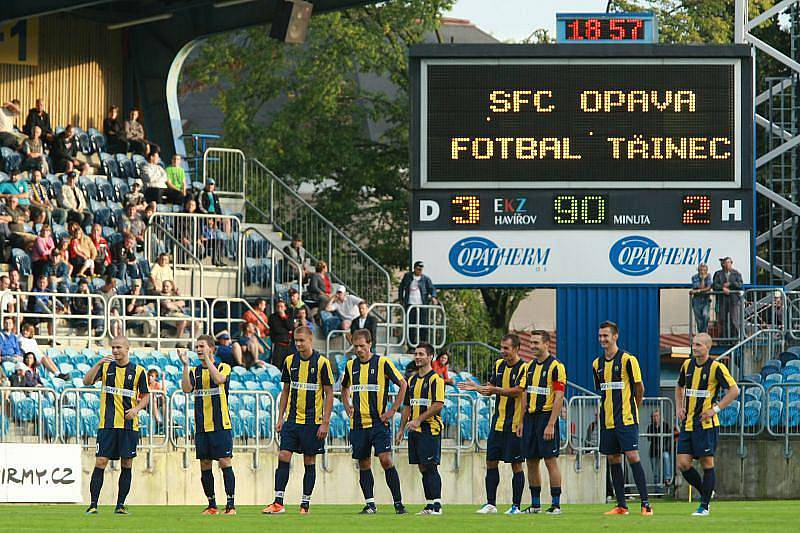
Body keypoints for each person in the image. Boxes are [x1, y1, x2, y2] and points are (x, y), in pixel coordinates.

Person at [263, 326, 333, 515]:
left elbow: (329, 393)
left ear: (310, 340)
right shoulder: (289, 361)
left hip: (313, 422)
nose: (299, 344)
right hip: (292, 421)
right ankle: (278, 502)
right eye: (296, 341)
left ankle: (305, 504)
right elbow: (285, 391)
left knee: (309, 461)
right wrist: (280, 418)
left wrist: (325, 422)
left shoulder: (322, 363)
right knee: (283, 456)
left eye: (302, 340)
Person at [341, 329, 408, 515]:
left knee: (386, 460)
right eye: (356, 346)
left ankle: (398, 503)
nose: (359, 349)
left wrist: (393, 410)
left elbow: (403, 384)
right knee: (363, 463)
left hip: (379, 423)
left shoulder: (382, 363)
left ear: (370, 344)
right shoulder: (350, 366)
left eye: (362, 346)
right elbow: (344, 387)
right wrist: (347, 405)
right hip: (358, 424)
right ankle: (370, 504)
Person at [458, 333, 526, 515]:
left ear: (516, 348)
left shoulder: (524, 368)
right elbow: (490, 390)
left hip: (514, 424)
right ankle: (491, 503)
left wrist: (495, 389)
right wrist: (476, 388)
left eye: (507, 348)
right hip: (498, 423)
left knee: (516, 464)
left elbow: (518, 391)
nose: (503, 351)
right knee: (490, 462)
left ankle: (516, 506)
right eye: (502, 347)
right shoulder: (498, 365)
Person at [83, 336, 150, 515]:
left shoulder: (138, 371)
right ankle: (93, 504)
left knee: (126, 463)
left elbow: (146, 396)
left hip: (129, 426)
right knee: (101, 461)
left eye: (118, 347)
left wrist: (136, 409)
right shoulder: (105, 367)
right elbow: (87, 381)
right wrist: (97, 363)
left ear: (128, 349)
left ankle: (120, 505)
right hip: (107, 425)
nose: (115, 351)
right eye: (113, 347)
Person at [592, 321, 653, 516]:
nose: (602, 339)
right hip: (607, 419)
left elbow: (639, 387)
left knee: (632, 455)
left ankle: (645, 504)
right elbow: (602, 391)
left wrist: (634, 406)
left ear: (615, 336)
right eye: (600, 336)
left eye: (606, 336)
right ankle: (621, 505)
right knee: (613, 458)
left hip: (626, 418)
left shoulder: (628, 360)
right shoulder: (597, 364)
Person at [676, 332, 739, 516]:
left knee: (706, 463)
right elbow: (679, 386)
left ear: (707, 347)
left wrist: (715, 409)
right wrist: (679, 407)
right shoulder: (687, 365)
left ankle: (704, 506)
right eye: (693, 344)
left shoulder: (716, 368)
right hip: (688, 424)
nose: (694, 348)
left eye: (698, 345)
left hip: (706, 425)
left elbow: (734, 390)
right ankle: (707, 491)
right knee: (683, 464)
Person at [180, 336, 237, 515]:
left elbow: (219, 379)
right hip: (202, 426)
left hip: (221, 425)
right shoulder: (195, 371)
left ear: (211, 348)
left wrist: (208, 360)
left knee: (224, 461)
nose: (198, 349)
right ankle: (212, 504)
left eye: (202, 346)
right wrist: (185, 366)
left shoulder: (223, 366)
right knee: (205, 463)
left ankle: (230, 504)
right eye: (197, 347)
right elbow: (186, 389)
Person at [516, 330, 565, 514]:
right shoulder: (528, 367)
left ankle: (556, 504)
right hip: (530, 419)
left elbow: (559, 396)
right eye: (531, 342)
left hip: (546, 417)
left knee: (550, 461)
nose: (533, 346)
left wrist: (551, 423)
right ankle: (535, 504)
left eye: (536, 342)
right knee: (531, 461)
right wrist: (521, 421)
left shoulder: (556, 367)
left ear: (546, 344)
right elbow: (524, 393)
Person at [395, 342, 445, 515]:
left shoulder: (435, 379)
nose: (417, 357)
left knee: (430, 465)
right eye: (415, 354)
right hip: (415, 431)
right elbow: (407, 406)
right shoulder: (412, 380)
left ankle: (437, 504)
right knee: (422, 467)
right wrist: (401, 429)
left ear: (430, 357)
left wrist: (418, 420)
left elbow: (438, 405)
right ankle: (429, 504)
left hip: (430, 429)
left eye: (421, 354)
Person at [399, 261, 439, 344]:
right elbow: (401, 287)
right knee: (411, 326)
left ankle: (423, 344)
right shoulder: (408, 276)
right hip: (410, 305)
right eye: (418, 269)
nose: (419, 271)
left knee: (423, 326)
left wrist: (433, 297)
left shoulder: (425, 279)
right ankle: (411, 345)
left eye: (421, 269)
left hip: (422, 306)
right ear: (414, 269)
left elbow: (432, 289)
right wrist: (401, 299)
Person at [712, 257, 743, 341]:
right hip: (722, 299)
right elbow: (714, 285)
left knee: (734, 320)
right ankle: (723, 339)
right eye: (726, 263)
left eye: (729, 262)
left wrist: (731, 284)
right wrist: (722, 288)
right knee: (722, 320)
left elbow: (740, 285)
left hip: (734, 299)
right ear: (723, 264)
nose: (728, 264)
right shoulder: (718, 274)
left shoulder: (736, 273)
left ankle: (735, 339)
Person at [647, 409, 672, 487]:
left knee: (666, 456)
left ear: (660, 417)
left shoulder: (665, 425)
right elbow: (649, 438)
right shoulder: (650, 427)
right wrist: (656, 430)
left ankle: (667, 479)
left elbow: (668, 437)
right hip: (653, 450)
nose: (656, 418)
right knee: (656, 472)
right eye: (654, 416)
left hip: (663, 449)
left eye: (657, 416)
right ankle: (657, 490)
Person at [268, 300, 293, 370]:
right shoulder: (273, 317)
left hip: (288, 344)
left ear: (285, 308)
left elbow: (290, 327)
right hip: (278, 344)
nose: (280, 308)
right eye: (278, 306)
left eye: (281, 306)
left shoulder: (288, 317)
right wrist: (287, 331)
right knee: (277, 365)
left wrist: (284, 317)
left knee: (288, 366)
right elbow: (277, 329)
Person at [691, 264, 712, 334]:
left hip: (706, 299)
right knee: (698, 319)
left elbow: (708, 287)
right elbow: (699, 287)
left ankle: (704, 332)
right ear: (698, 270)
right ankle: (701, 333)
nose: (703, 272)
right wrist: (703, 279)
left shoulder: (709, 276)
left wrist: (698, 291)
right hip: (697, 300)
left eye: (704, 270)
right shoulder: (694, 277)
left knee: (705, 315)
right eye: (701, 270)